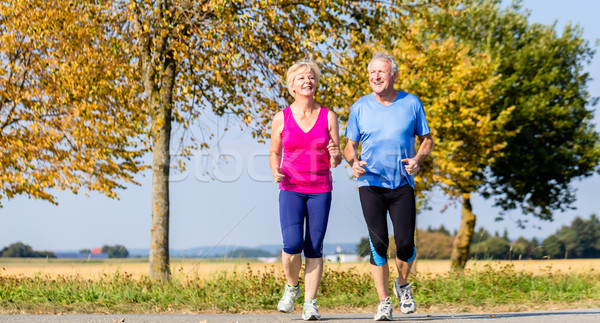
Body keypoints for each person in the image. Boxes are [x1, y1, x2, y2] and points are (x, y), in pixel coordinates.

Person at [343, 53, 433, 321]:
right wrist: (353, 162)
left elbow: (426, 139)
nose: (376, 77)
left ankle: (402, 285)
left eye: (381, 72)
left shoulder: (411, 103)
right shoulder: (359, 107)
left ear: (394, 75)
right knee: (378, 243)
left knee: (405, 243)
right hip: (370, 183)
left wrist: (418, 159)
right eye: (372, 73)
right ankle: (384, 301)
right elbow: (350, 145)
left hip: (402, 183)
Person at [269, 60, 342, 321]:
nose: (307, 81)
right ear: (292, 86)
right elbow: (275, 151)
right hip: (290, 188)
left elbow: (336, 157)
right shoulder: (282, 117)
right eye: (301, 78)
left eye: (311, 77)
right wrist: (275, 169)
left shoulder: (328, 116)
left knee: (314, 246)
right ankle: (292, 287)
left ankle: (310, 303)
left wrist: (335, 155)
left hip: (321, 189)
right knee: (292, 245)